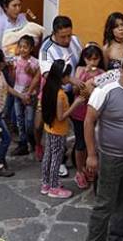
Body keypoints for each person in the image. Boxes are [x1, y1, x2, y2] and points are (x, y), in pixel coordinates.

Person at [84, 53, 123, 240]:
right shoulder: (105, 91)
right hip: (110, 158)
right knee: (104, 203)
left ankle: (117, 235)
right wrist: (91, 155)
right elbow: (88, 121)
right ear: (121, 71)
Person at [40, 60, 84, 199]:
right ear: (61, 77)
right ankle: (53, 187)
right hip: (58, 131)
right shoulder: (60, 95)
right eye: (67, 76)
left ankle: (46, 183)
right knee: (56, 158)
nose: (69, 79)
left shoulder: (48, 88)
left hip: (49, 128)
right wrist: (75, 104)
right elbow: (61, 116)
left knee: (48, 155)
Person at [0, 49, 28, 177]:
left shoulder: (0, 74)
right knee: (6, 139)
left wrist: (20, 95)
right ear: (0, 63)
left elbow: (7, 88)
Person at [70, 43, 104, 190]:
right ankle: (79, 170)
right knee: (80, 142)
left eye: (95, 59)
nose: (92, 62)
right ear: (84, 58)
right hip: (79, 112)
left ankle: (90, 169)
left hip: (95, 112)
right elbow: (75, 89)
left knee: (93, 142)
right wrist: (85, 76)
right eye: (89, 59)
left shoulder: (102, 73)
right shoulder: (79, 70)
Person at [10, 35, 41, 156]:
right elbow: (13, 78)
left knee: (29, 121)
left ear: (31, 48)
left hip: (30, 96)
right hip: (18, 93)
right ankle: (23, 143)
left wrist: (31, 72)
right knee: (19, 120)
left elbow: (37, 79)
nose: (22, 49)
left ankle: (32, 140)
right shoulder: (15, 60)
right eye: (21, 47)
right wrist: (12, 70)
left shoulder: (34, 62)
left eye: (25, 47)